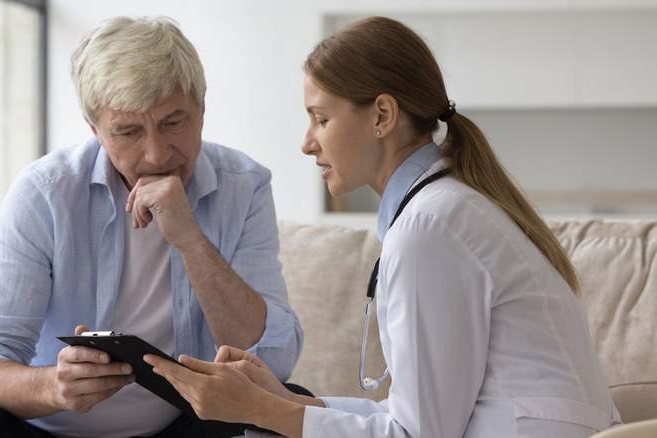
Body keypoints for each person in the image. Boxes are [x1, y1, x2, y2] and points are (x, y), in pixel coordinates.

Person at [145, 16, 622, 437]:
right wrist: (287, 402)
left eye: (321, 118)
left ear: (382, 115)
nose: (307, 143)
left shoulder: (430, 227)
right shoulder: (447, 209)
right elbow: (415, 418)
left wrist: (262, 411)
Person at [0, 16, 302, 438]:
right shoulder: (43, 193)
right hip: (49, 432)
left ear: (202, 107)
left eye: (174, 122)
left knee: (283, 410)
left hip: (181, 428)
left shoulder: (245, 185)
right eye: (128, 131)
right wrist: (56, 386)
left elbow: (272, 362)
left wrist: (191, 241)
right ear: (95, 131)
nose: (158, 154)